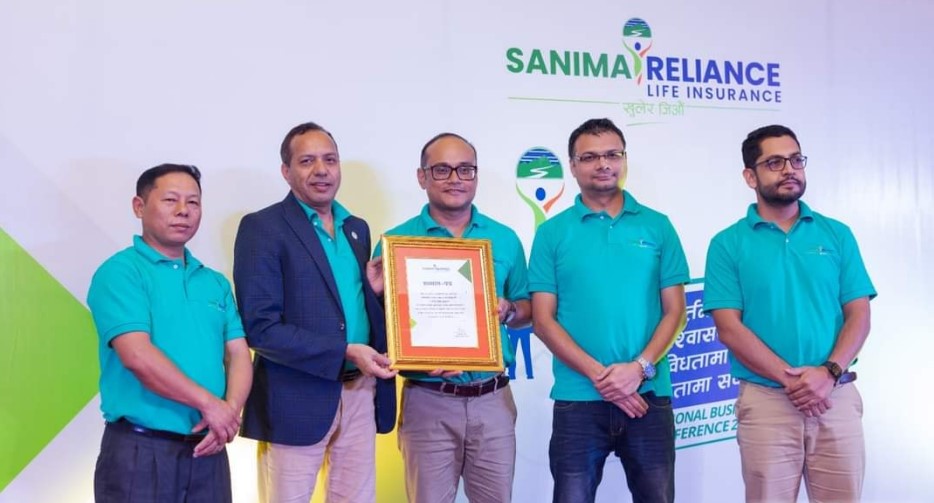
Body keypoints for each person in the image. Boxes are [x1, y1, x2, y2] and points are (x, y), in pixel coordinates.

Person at [703, 124, 876, 502]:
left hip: (835, 396)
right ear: (750, 176)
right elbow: (729, 328)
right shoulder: (727, 244)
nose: (789, 170)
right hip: (767, 402)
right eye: (775, 162)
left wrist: (828, 374)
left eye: (796, 160)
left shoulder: (837, 234)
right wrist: (797, 382)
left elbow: (859, 314)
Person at [233, 121, 397, 503]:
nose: (321, 170)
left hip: (359, 391)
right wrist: (343, 351)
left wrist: (372, 294)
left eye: (330, 160)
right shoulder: (263, 227)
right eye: (307, 161)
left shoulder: (356, 228)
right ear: (286, 171)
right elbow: (261, 327)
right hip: (295, 397)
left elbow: (345, 307)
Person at [528, 118, 688, 503]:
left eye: (612, 154)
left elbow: (675, 312)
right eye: (590, 157)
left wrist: (638, 369)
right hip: (578, 401)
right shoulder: (551, 233)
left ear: (624, 160)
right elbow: (543, 320)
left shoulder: (658, 226)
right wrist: (605, 379)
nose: (603, 164)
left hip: (648, 397)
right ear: (572, 166)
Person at [375, 132, 531, 503]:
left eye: (465, 169)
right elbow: (382, 324)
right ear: (422, 176)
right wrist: (377, 295)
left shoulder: (504, 238)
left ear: (476, 175)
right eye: (442, 169)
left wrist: (509, 308)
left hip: (492, 398)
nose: (455, 179)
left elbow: (527, 310)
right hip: (428, 399)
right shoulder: (396, 242)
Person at [87, 163, 253, 503]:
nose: (183, 211)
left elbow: (238, 352)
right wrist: (210, 405)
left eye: (193, 202)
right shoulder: (121, 272)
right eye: (170, 200)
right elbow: (136, 355)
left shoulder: (214, 282)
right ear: (139, 206)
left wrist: (229, 412)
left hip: (208, 448)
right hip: (140, 451)